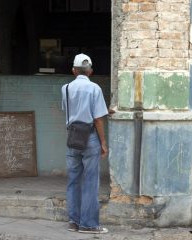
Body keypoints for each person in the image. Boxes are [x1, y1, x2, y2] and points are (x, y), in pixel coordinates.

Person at [61, 53, 109, 234]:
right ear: (90, 71)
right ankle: (88, 224)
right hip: (90, 138)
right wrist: (103, 143)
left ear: (73, 70)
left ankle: (73, 222)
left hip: (73, 137)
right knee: (90, 181)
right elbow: (98, 120)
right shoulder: (95, 89)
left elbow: (71, 111)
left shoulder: (65, 88)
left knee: (73, 180)